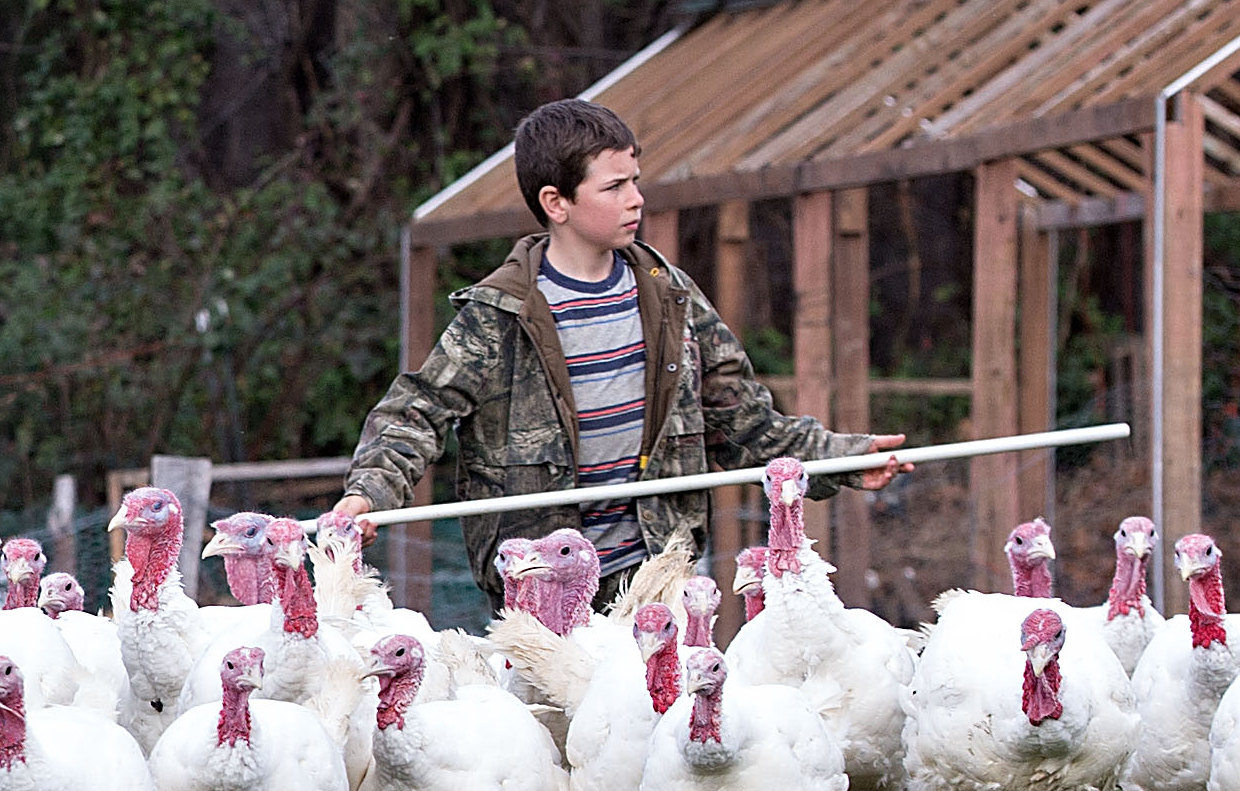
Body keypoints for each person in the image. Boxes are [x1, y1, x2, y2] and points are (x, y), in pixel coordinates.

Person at [331, 98, 905, 600]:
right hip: (543, 588)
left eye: (635, 179)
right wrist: (367, 493)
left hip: (659, 573)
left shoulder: (670, 296)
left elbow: (744, 423)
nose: (637, 199)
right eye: (614, 187)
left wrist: (847, 458)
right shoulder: (498, 315)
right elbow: (416, 414)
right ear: (556, 202)